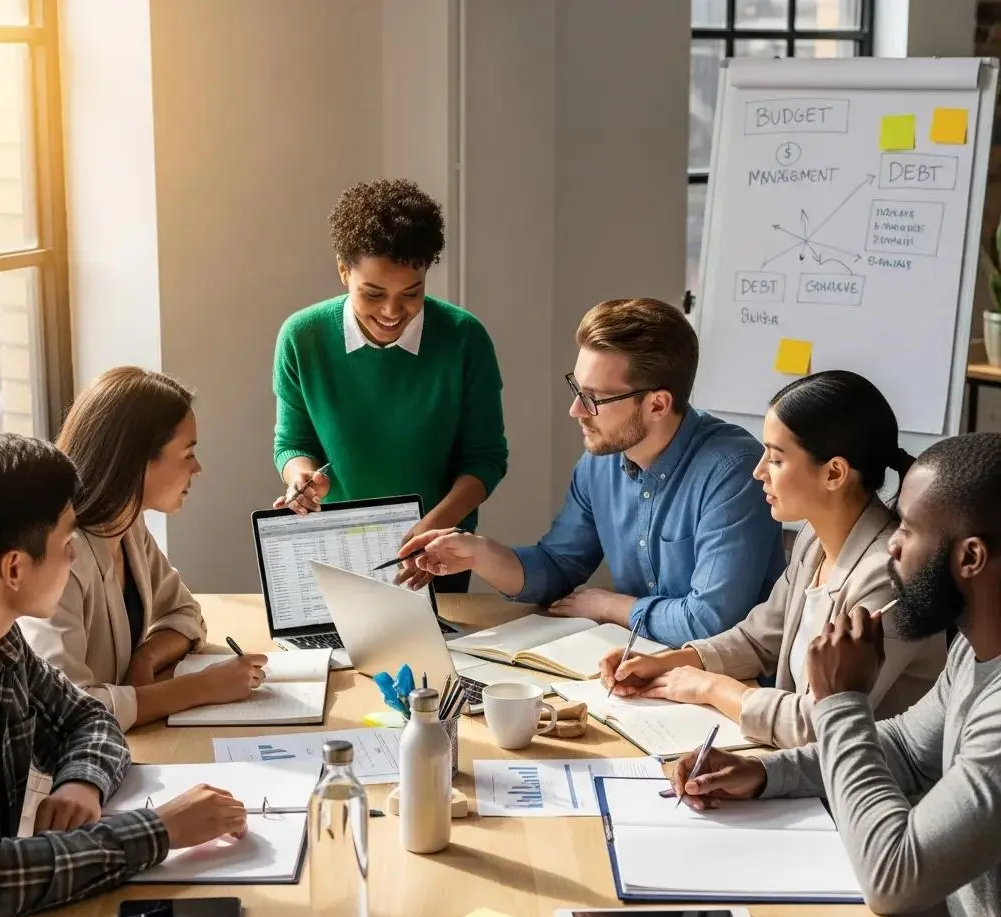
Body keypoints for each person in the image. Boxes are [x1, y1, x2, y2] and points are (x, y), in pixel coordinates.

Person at [669, 432, 1001, 917]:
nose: (892, 547)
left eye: (906, 530)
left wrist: (841, 700)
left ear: (969, 558)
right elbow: (900, 749)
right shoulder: (972, 651)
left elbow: (894, 878)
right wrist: (764, 773)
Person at [0, 433, 250, 917]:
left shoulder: (3, 647)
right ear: (13, 569)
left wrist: (81, 780)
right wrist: (160, 829)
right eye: (64, 541)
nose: (75, 556)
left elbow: (88, 720)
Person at [397, 297, 784, 646]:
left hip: (730, 685)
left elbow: (710, 623)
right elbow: (559, 566)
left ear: (657, 404)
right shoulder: (599, 464)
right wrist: (478, 554)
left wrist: (611, 607)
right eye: (577, 389)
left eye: (594, 398)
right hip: (644, 668)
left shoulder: (734, 473)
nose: (576, 411)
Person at [600, 371, 946, 747]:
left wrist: (711, 687)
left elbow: (820, 723)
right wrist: (670, 663)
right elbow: (758, 639)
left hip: (865, 791)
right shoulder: (814, 540)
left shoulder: (888, 578)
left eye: (776, 459)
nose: (758, 471)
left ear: (834, 473)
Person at [271, 177, 508, 593]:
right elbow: (292, 443)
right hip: (335, 549)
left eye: (411, 293)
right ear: (343, 271)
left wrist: (431, 529)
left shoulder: (463, 338)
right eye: (373, 294)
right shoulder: (301, 336)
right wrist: (302, 479)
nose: (392, 311)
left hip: (434, 556)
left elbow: (485, 460)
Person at [20, 368, 267, 731]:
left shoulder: (128, 525)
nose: (197, 468)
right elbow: (66, 708)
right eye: (187, 454)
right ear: (135, 462)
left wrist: (145, 658)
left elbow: (185, 612)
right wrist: (200, 688)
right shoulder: (60, 557)